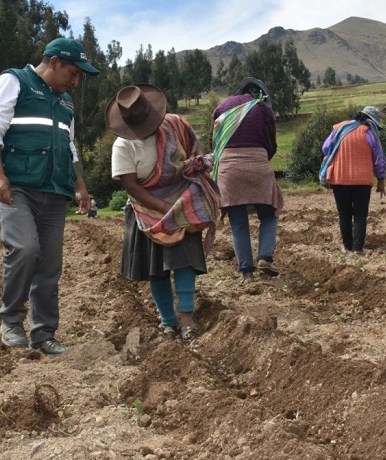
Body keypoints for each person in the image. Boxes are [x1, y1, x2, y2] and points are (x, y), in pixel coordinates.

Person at [0, 37, 98, 357]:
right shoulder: (12, 82)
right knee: (24, 248)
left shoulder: (66, 103)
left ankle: (44, 333)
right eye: (73, 73)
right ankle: (11, 321)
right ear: (55, 62)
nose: (75, 81)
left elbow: (69, 146)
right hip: (17, 186)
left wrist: (81, 186)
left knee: (50, 265)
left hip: (54, 191)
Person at [108, 84, 220, 342]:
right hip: (145, 207)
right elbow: (132, 186)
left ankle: (188, 318)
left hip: (181, 198)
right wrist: (165, 210)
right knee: (156, 268)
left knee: (184, 261)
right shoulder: (122, 146)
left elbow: (197, 150)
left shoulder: (175, 125)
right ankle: (168, 322)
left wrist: (197, 172)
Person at [210, 77, 284, 283]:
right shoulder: (263, 109)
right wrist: (261, 157)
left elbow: (214, 142)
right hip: (258, 165)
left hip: (229, 169)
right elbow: (272, 143)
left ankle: (246, 273)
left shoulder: (221, 108)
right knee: (269, 213)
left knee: (238, 222)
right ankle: (265, 258)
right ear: (258, 93)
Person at [321, 106, 386, 255]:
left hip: (339, 178)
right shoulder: (370, 134)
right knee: (360, 214)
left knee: (344, 213)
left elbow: (325, 148)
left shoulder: (339, 128)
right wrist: (381, 179)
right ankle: (358, 248)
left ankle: (347, 246)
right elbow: (378, 159)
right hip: (362, 180)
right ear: (372, 122)